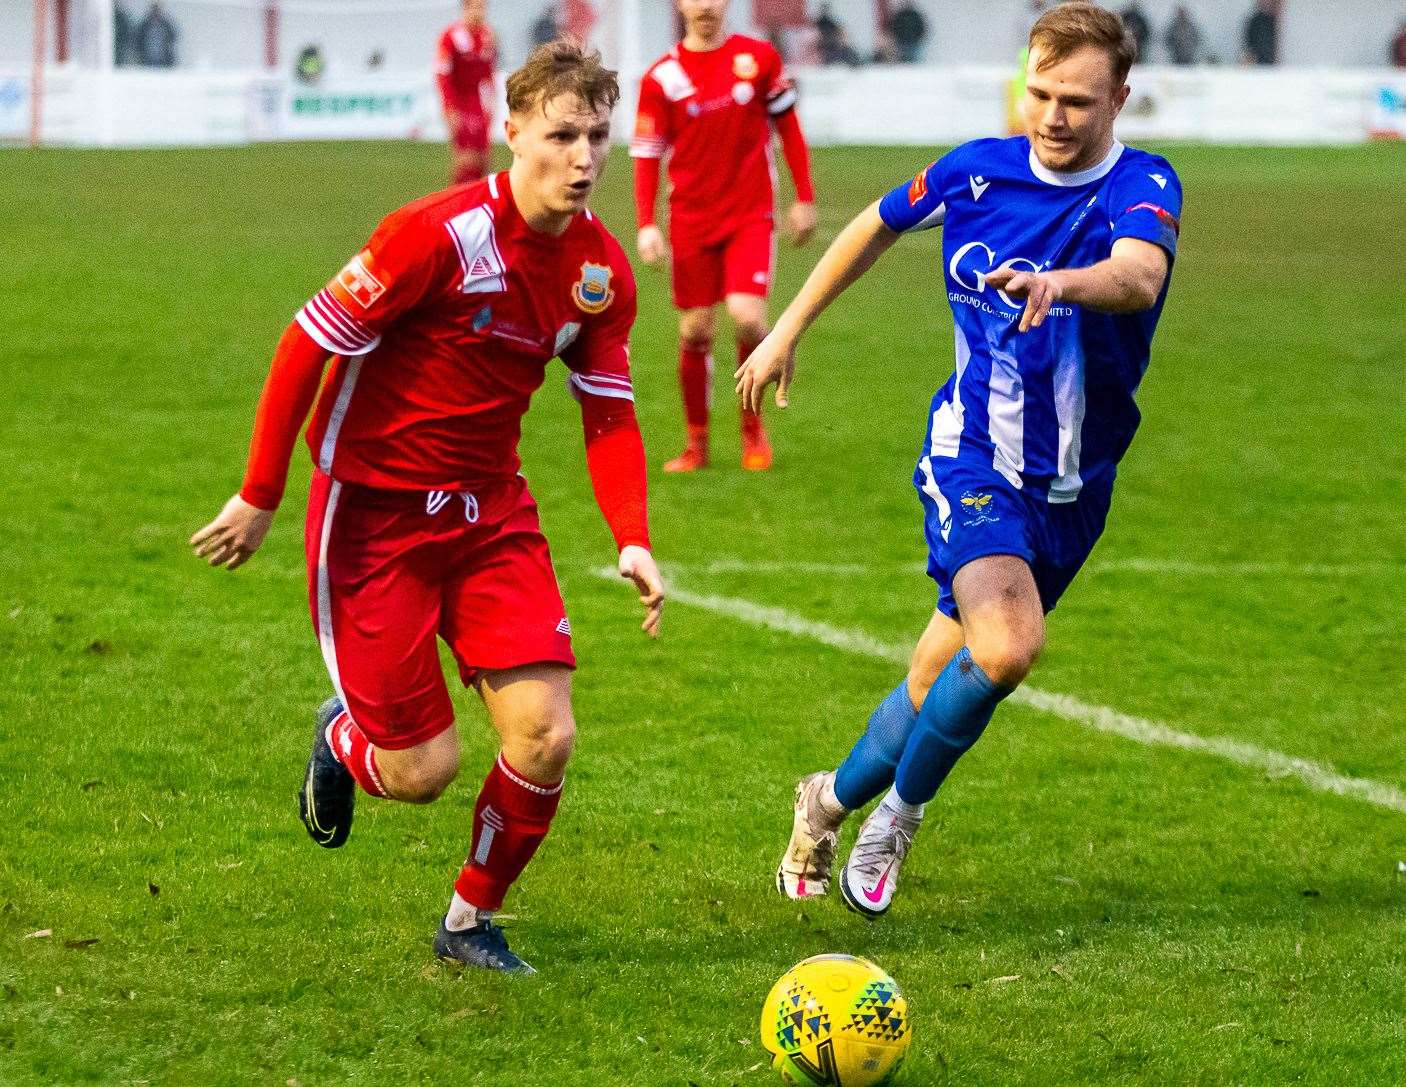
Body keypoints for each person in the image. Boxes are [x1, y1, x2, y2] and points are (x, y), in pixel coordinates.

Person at [190, 41, 665, 973]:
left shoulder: (601, 273)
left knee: (547, 732)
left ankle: (466, 923)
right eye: (562, 134)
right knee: (420, 771)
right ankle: (344, 735)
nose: (583, 157)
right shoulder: (433, 234)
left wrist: (634, 539)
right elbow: (304, 344)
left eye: (599, 137)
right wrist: (260, 492)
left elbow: (609, 419)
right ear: (513, 130)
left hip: (490, 516)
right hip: (372, 519)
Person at [739, 2, 1182, 917]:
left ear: (1120, 99)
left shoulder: (1141, 182)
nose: (1053, 115)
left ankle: (823, 801)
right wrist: (788, 325)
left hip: (1073, 484)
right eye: (1041, 91)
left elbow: (1141, 275)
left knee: (931, 677)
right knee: (1009, 647)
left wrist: (1061, 283)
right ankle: (898, 815)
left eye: (1077, 101)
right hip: (973, 456)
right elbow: (875, 223)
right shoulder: (976, 171)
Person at [631, 0, 817, 473]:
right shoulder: (661, 77)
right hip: (691, 219)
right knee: (695, 329)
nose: (706, 5)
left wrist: (804, 196)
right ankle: (697, 445)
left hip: (749, 213)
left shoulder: (758, 59)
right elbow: (648, 154)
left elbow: (788, 127)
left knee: (747, 317)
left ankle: (753, 428)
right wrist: (646, 223)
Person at [436, 0, 498, 185]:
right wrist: (449, 107)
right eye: (476, 7)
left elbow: (488, 71)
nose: (480, 12)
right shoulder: (451, 37)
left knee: (484, 158)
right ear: (466, 9)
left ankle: (480, 203)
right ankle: (460, 202)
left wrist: (491, 100)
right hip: (459, 102)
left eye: (483, 8)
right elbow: (443, 75)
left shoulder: (487, 36)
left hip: (477, 101)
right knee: (466, 159)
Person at [135, 2, 177, 68]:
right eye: (154, 11)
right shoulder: (144, 26)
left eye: (157, 11)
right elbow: (138, 40)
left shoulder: (166, 25)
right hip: (147, 61)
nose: (156, 13)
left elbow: (173, 37)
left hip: (163, 61)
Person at [1242, 0, 1277, 66]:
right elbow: (1249, 45)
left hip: (1274, 62)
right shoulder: (1255, 21)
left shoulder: (1277, 21)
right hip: (1259, 62)